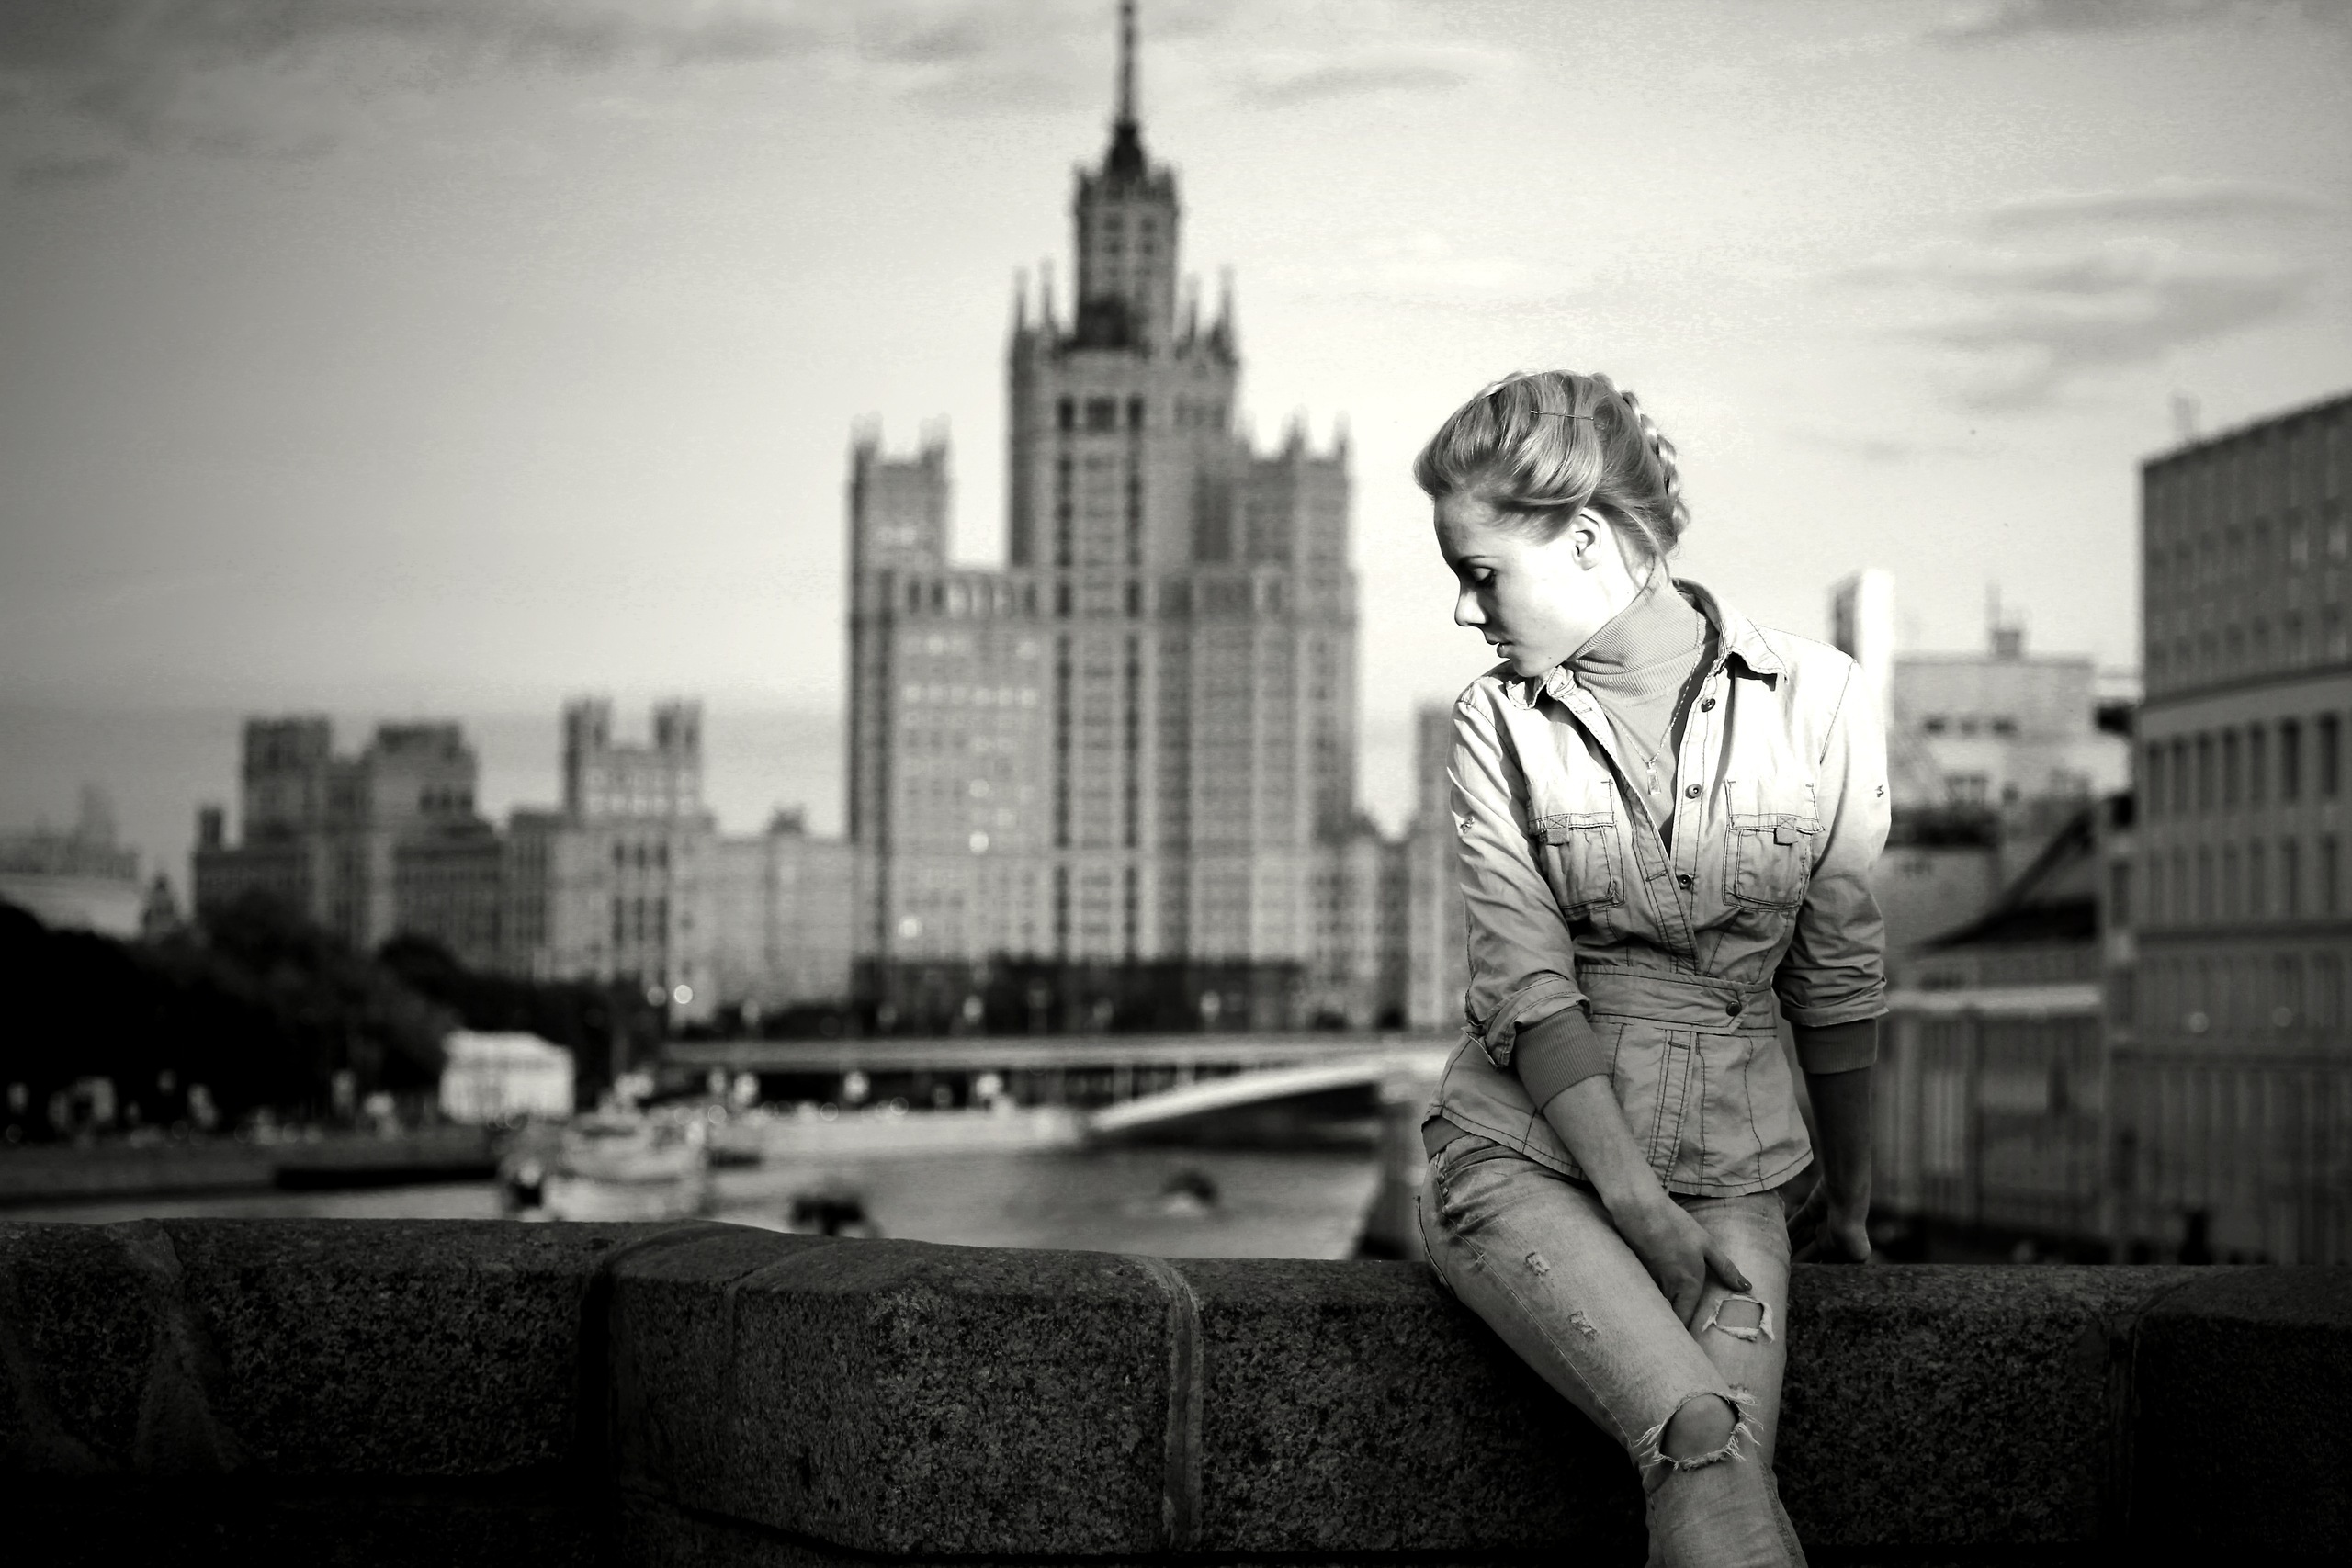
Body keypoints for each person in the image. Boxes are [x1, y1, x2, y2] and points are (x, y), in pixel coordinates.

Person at [1413, 371, 1887, 1568]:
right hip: (1526, 1169)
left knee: (1722, 1474)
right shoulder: (1495, 722)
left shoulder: (1821, 700)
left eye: (1481, 572)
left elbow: (1836, 976)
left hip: (1737, 1179)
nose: (1466, 610)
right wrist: (1635, 1206)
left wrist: (1851, 1200)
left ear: (1583, 539)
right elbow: (1527, 989)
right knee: (1702, 1443)